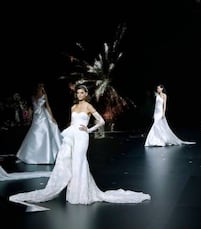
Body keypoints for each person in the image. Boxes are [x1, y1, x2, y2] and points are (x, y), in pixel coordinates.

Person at [9, 84, 151, 211]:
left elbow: (101, 121)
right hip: (72, 135)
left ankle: (81, 194)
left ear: (86, 94)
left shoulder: (88, 106)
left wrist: (89, 130)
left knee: (80, 162)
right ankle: (73, 195)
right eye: (78, 93)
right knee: (69, 162)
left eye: (82, 92)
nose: (79, 95)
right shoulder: (73, 107)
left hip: (83, 136)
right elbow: (72, 123)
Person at [16, 82, 62, 164]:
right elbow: (31, 108)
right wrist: (29, 116)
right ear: (37, 87)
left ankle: (46, 156)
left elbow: (48, 106)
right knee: (34, 133)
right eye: (40, 86)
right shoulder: (33, 97)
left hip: (43, 117)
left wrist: (52, 117)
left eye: (43, 86)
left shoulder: (44, 96)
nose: (42, 88)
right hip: (36, 117)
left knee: (45, 132)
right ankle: (33, 155)